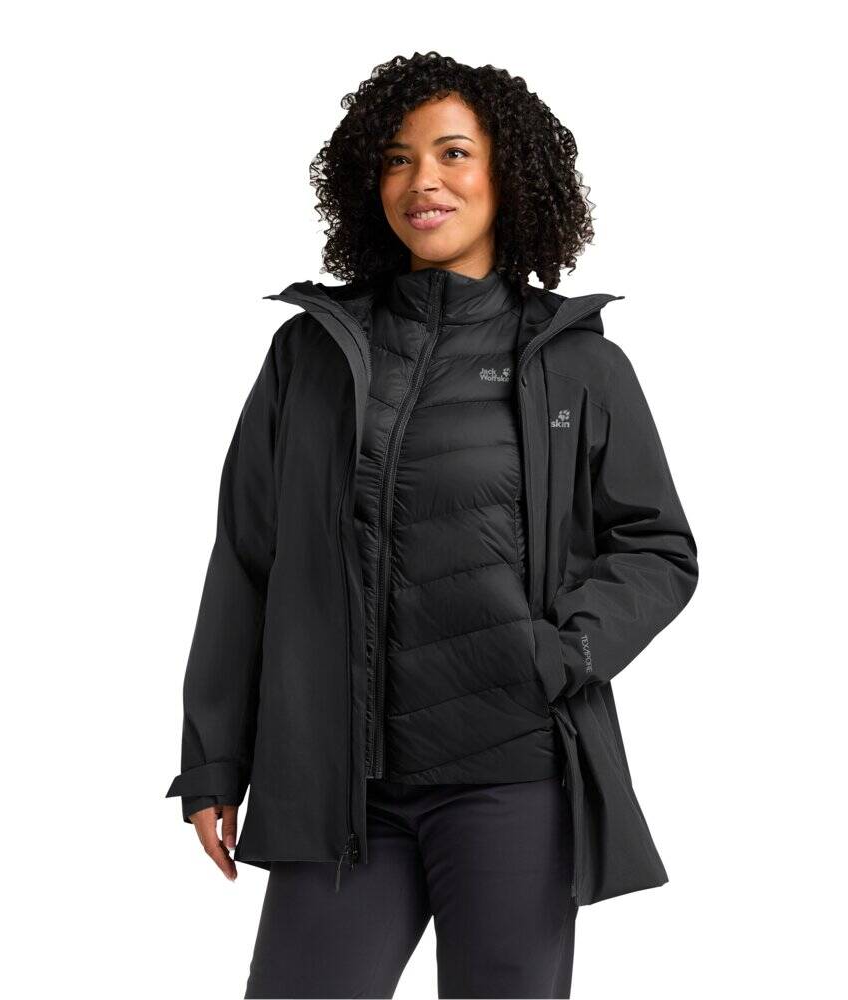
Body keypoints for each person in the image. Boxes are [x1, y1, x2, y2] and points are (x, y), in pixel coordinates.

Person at [165, 51, 699, 999]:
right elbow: (247, 559)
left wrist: (562, 652)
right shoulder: (311, 356)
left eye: (454, 153)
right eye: (398, 159)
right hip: (341, 787)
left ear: (507, 173)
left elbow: (657, 547)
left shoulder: (574, 362)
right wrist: (214, 760)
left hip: (513, 779)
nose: (424, 182)